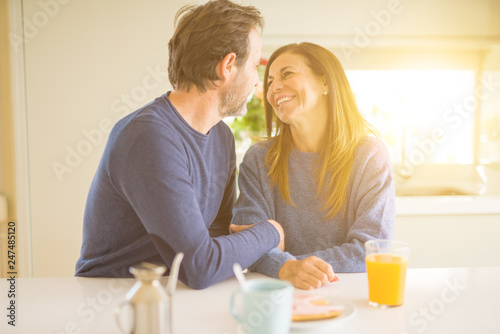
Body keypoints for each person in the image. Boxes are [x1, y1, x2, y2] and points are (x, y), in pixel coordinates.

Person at [75, 0, 285, 290]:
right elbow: (200, 266)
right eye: (253, 66)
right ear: (227, 66)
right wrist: (271, 231)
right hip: (117, 301)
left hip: (176, 294)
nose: (255, 81)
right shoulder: (147, 137)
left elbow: (217, 235)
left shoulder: (221, 137)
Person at [230, 42, 395, 290]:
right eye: (270, 80)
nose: (274, 87)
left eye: (287, 74)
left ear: (325, 82)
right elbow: (248, 245)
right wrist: (287, 269)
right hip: (277, 293)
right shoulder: (258, 159)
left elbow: (370, 250)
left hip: (345, 291)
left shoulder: (370, 156)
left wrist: (287, 264)